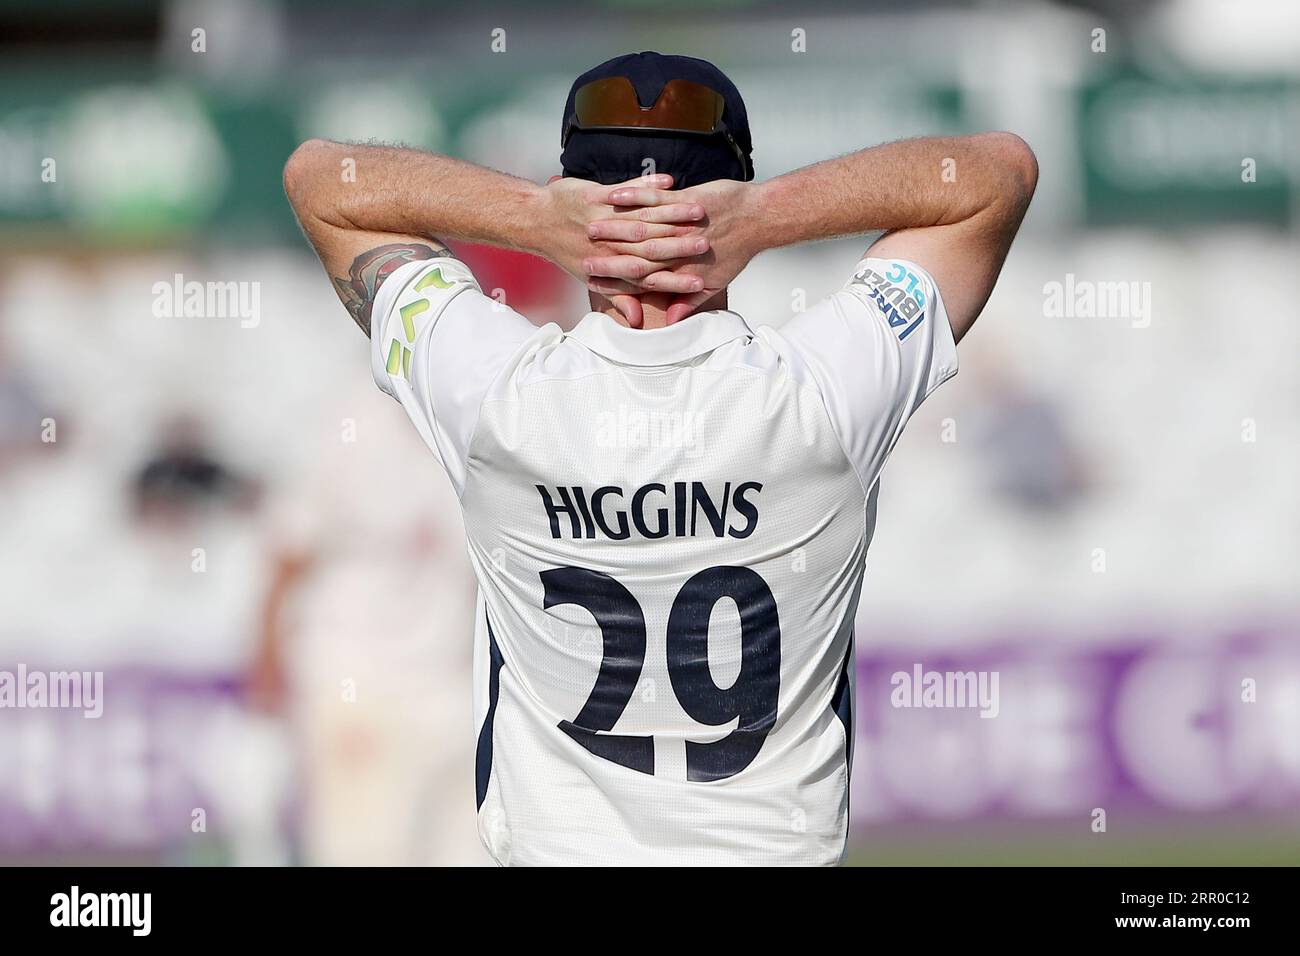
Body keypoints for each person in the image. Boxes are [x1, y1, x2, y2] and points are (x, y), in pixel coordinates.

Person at [283, 51, 1036, 865]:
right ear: (731, 183)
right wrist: (764, 218)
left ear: (575, 190)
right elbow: (998, 173)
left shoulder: (494, 395)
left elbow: (321, 179)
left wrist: (534, 216)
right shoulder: (822, 394)